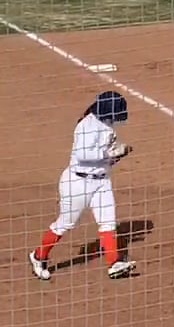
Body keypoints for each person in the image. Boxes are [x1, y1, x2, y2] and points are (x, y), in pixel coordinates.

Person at [29, 91, 137, 281]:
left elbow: (103, 158)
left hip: (101, 182)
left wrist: (118, 155)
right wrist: (110, 154)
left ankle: (114, 263)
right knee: (66, 224)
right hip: (78, 183)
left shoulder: (106, 124)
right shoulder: (87, 126)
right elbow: (83, 155)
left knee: (108, 222)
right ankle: (38, 256)